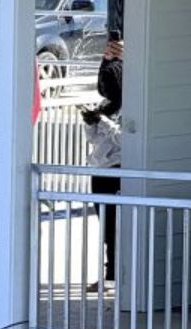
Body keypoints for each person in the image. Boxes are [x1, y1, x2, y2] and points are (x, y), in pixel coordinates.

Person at [83, 33, 123, 291]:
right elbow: (94, 139)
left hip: (118, 168)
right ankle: (109, 276)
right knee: (106, 225)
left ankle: (122, 276)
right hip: (100, 169)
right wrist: (90, 123)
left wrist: (104, 122)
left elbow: (123, 139)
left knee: (120, 225)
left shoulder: (131, 106)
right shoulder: (106, 103)